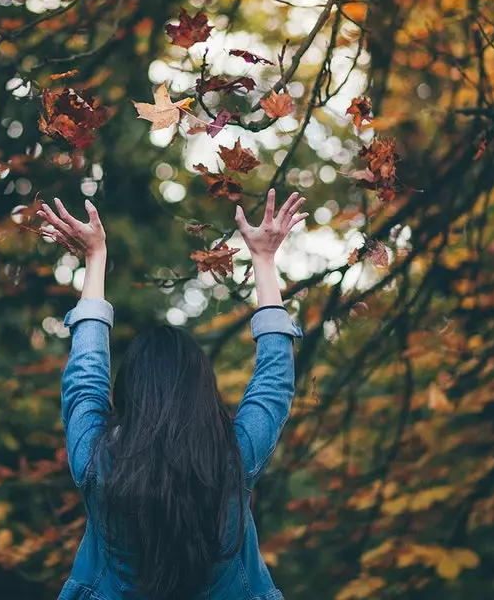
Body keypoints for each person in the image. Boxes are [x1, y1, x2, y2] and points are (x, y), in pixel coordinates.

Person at [38, 189, 309, 600]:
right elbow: (274, 381)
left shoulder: (96, 462)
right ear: (203, 391)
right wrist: (264, 260)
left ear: (129, 393)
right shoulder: (234, 458)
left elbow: (85, 377)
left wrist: (95, 259)